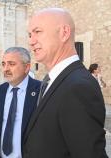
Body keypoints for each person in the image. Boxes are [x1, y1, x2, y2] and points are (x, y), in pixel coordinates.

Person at [23, 8, 108, 158]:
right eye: (30, 34)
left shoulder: (78, 87)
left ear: (64, 33)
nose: (31, 41)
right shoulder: (53, 80)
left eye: (38, 32)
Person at [0, 47, 40, 158]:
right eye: (3, 64)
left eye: (11, 64)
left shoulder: (41, 90)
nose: (6, 69)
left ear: (26, 67)